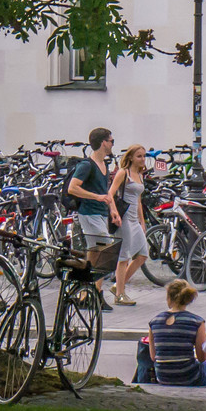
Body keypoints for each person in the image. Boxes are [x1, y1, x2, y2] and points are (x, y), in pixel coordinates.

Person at [67, 127, 120, 310]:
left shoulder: (104, 165)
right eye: (111, 141)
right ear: (103, 142)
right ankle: (92, 293)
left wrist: (112, 209)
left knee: (96, 253)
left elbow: (105, 192)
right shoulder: (86, 165)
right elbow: (72, 188)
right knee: (105, 250)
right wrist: (97, 198)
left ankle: (88, 294)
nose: (113, 144)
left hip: (100, 213)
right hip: (89, 213)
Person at [147, 279, 206, 387]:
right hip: (189, 376)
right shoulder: (197, 322)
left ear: (169, 298)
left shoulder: (154, 322)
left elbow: (153, 357)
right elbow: (201, 357)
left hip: (162, 376)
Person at [108, 143, 149, 306]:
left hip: (134, 219)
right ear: (130, 157)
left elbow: (138, 199)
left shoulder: (139, 174)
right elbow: (110, 194)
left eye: (144, 156)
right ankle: (120, 294)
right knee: (124, 256)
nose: (143, 159)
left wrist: (142, 220)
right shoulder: (123, 173)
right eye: (139, 156)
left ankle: (118, 285)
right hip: (123, 218)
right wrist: (114, 213)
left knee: (142, 254)